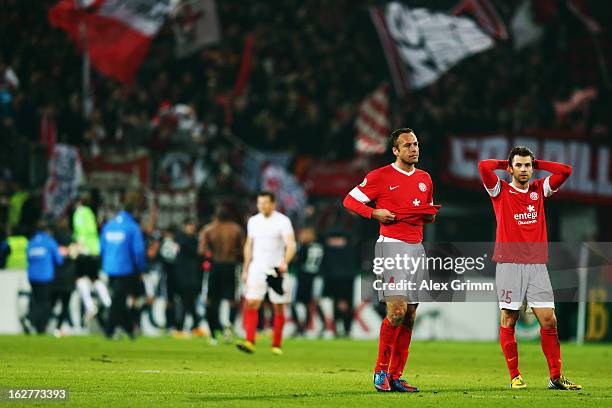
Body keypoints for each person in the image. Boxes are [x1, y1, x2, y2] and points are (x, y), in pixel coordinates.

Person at [343, 128, 439, 393]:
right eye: (407, 145)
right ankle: (379, 372)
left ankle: (396, 376)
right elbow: (350, 200)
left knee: (409, 316)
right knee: (396, 311)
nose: (414, 149)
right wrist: (375, 213)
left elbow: (427, 211)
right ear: (395, 150)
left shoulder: (425, 178)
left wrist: (429, 216)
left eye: (416, 144)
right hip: (391, 247)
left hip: (416, 249)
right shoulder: (380, 176)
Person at [478, 146, 581, 390]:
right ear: (511, 168)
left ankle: (555, 378)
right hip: (509, 264)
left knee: (549, 320)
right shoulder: (499, 190)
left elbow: (566, 171)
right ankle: (515, 375)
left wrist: (538, 163)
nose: (523, 170)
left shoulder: (539, 189)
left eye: (527, 165)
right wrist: (506, 163)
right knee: (510, 319)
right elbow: (483, 166)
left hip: (537, 266)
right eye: (519, 165)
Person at [237, 191, 296, 355]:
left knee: (278, 306)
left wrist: (285, 262)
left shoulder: (283, 221)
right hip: (257, 268)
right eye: (259, 203)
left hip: (276, 269)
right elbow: (249, 245)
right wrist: (246, 268)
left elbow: (291, 244)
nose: (262, 206)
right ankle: (249, 341)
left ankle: (276, 344)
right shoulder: (253, 221)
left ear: (273, 204)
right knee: (252, 302)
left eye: (265, 203)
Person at [100, 198, 146, 339]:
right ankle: (109, 330)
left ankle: (130, 329)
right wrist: (141, 268)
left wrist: (105, 263)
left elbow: (102, 247)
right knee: (118, 300)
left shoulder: (109, 225)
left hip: (109, 268)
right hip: (126, 268)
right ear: (134, 211)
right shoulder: (132, 227)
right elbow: (138, 250)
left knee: (118, 298)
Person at [200, 205, 244, 343]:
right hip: (231, 266)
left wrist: (211, 253)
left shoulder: (209, 229)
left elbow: (201, 250)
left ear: (216, 216)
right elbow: (243, 250)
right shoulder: (236, 229)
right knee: (231, 300)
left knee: (210, 300)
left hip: (215, 266)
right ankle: (228, 330)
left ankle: (213, 334)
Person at [73, 192, 111, 322]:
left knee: (80, 279)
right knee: (95, 279)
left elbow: (81, 232)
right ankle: (107, 302)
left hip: (85, 250)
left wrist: (79, 246)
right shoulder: (90, 213)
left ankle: (90, 306)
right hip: (95, 250)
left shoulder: (79, 213)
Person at [26, 219, 64, 334]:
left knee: (36, 300)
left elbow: (28, 258)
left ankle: (31, 321)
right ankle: (38, 326)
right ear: (47, 231)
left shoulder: (31, 242)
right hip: (45, 277)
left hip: (32, 277)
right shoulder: (49, 241)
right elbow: (59, 260)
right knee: (44, 303)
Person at [174, 219, 206, 338]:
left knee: (189, 302)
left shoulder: (191, 240)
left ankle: (192, 327)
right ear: (185, 227)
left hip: (193, 276)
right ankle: (181, 327)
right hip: (184, 276)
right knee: (186, 302)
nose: (191, 228)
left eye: (193, 225)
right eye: (189, 226)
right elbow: (197, 252)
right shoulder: (183, 240)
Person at [291, 226, 325, 336]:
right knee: (311, 302)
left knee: (296, 302)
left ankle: (301, 327)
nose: (301, 236)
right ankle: (319, 325)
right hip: (316, 276)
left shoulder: (304, 247)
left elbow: (298, 261)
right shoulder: (319, 246)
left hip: (305, 276)